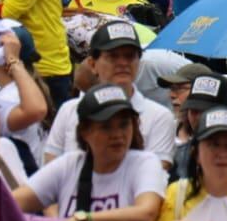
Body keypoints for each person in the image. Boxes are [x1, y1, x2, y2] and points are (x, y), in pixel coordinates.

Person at [13, 85, 165, 221]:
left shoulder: (144, 163)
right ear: (85, 131)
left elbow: (146, 212)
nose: (117, 135)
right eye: (106, 127)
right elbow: (11, 203)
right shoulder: (69, 164)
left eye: (124, 124)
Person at [43, 21, 176, 168]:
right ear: (93, 64)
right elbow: (50, 169)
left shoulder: (160, 117)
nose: (123, 63)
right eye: (113, 56)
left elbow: (155, 177)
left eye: (130, 56)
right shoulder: (69, 110)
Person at [0, 23, 49, 178]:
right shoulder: (25, 88)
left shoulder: (10, 97)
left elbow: (36, 110)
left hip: (22, 184)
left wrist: (12, 59)